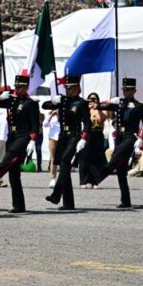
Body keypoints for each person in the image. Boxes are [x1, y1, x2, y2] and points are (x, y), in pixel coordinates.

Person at [0, 75, 40, 213]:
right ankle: (19, 205)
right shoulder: (11, 101)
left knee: (7, 158)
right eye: (16, 87)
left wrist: (33, 141)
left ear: (26, 87)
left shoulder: (31, 103)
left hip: (23, 136)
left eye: (20, 87)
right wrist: (0, 97)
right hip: (11, 136)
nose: (18, 89)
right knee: (13, 174)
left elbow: (35, 125)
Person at [94, 77, 143, 208]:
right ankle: (126, 201)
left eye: (129, 90)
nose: (126, 92)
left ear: (134, 91)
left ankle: (98, 177)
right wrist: (98, 103)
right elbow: (101, 105)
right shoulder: (118, 103)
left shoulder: (139, 106)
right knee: (121, 171)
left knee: (116, 156)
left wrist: (142, 139)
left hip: (130, 136)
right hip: (119, 136)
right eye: (124, 90)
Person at [44, 75, 91, 210]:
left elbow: (87, 123)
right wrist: (53, 101)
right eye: (66, 87)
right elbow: (44, 105)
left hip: (74, 135)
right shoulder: (63, 100)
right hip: (62, 136)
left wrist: (83, 138)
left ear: (77, 88)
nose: (67, 90)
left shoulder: (81, 103)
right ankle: (68, 203)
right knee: (63, 167)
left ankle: (56, 195)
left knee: (65, 162)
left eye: (69, 88)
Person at [81, 93, 109, 188]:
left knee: (96, 158)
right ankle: (83, 181)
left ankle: (94, 181)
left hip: (98, 133)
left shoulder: (101, 108)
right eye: (91, 99)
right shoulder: (86, 108)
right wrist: (88, 108)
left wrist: (98, 108)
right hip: (87, 134)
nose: (92, 101)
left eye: (95, 99)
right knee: (85, 158)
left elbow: (103, 118)